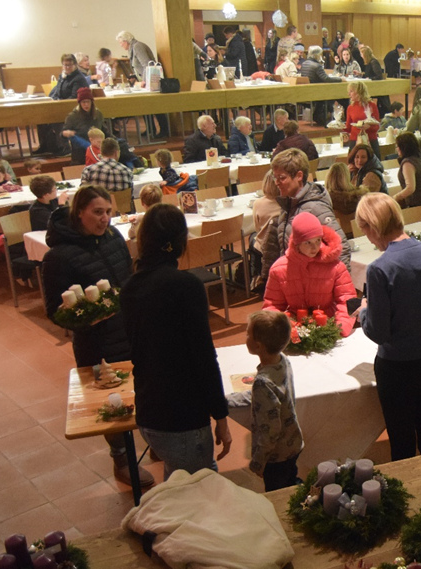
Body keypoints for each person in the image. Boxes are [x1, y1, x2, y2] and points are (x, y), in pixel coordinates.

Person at [42, 185, 153, 487]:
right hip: (97, 341)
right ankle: (122, 458)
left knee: (144, 386)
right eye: (97, 212)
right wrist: (87, 318)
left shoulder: (113, 236)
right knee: (112, 399)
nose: (105, 218)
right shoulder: (58, 257)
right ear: (79, 212)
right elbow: (54, 310)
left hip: (130, 329)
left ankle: (153, 437)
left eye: (108, 212)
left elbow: (127, 276)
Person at [120, 203, 231, 480]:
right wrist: (221, 416)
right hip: (181, 415)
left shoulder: (130, 287)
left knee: (177, 481)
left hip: (149, 409)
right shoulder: (186, 286)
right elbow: (204, 357)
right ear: (180, 242)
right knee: (198, 487)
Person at [354, 193, 421, 460]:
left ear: (373, 227)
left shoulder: (379, 269)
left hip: (398, 370)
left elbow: (378, 332)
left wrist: (364, 311)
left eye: (364, 230)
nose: (367, 238)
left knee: (402, 445)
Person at [259, 148, 350, 276]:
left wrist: (338, 285)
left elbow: (342, 249)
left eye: (281, 178)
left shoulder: (315, 208)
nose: (276, 183)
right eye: (275, 177)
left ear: (299, 176)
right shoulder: (289, 204)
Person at [263, 212, 357, 335]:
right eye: (308, 242)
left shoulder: (335, 267)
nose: (314, 247)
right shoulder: (279, 269)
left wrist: (339, 328)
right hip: (294, 330)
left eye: (318, 240)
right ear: (297, 243)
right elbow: (272, 305)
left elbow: (347, 300)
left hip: (328, 327)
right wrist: (283, 329)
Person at [241, 310, 303, 491]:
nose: (245, 337)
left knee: (277, 492)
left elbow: (270, 430)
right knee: (290, 481)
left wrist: (259, 461)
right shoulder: (283, 360)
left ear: (258, 345)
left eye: (247, 334)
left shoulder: (262, 382)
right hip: (293, 442)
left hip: (277, 455)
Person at [116, 32, 169, 137]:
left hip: (150, 82)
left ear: (126, 41)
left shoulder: (137, 46)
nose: (120, 45)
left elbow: (147, 64)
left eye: (121, 43)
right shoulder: (133, 48)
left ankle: (163, 130)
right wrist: (135, 77)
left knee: (155, 107)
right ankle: (150, 129)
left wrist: (144, 81)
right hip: (145, 82)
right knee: (145, 105)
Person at [62, 87, 111, 165]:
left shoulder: (98, 114)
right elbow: (63, 135)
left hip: (98, 152)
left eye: (88, 101)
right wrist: (65, 134)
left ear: (92, 102)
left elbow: (105, 132)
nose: (86, 104)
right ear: (79, 103)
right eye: (83, 102)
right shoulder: (72, 117)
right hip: (80, 155)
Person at [300, 45, 342, 126]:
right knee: (335, 95)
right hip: (317, 92)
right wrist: (340, 79)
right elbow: (326, 79)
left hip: (307, 92)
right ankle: (329, 117)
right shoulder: (317, 65)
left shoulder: (304, 63)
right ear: (317, 55)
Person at [344, 81, 381, 156]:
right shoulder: (350, 108)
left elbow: (377, 126)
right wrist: (338, 126)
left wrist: (368, 127)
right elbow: (348, 128)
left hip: (370, 140)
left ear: (359, 92)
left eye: (351, 91)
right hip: (354, 141)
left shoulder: (372, 105)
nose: (349, 94)